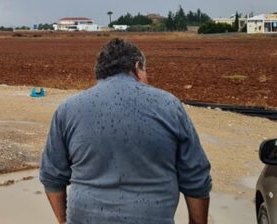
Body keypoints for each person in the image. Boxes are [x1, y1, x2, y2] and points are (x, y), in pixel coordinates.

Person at [40, 38, 211, 224]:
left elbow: (52, 177)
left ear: (99, 73)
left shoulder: (68, 109)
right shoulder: (169, 106)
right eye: (145, 71)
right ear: (137, 67)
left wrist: (63, 221)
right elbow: (196, 178)